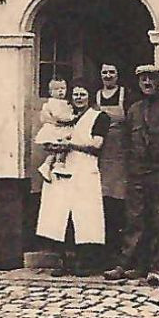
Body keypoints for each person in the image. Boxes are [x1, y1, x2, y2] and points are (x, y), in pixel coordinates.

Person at [104, 65, 159, 288]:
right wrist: (132, 164)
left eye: (151, 79)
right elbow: (126, 140)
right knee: (134, 219)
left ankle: (156, 268)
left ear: (158, 82)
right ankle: (125, 265)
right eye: (143, 79)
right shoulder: (133, 109)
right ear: (138, 82)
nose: (147, 83)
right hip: (137, 174)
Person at [34, 85, 110, 275]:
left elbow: (96, 145)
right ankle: (63, 261)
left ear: (89, 96)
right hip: (62, 169)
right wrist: (53, 146)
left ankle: (84, 263)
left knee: (86, 216)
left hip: (85, 169)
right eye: (75, 94)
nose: (78, 97)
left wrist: (71, 145)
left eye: (83, 94)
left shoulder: (99, 117)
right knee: (59, 215)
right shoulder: (65, 116)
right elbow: (50, 137)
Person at [91, 63, 132, 254]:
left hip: (121, 152)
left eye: (111, 72)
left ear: (117, 75)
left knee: (120, 199)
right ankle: (105, 250)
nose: (108, 76)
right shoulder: (96, 96)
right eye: (104, 72)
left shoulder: (126, 95)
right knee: (103, 198)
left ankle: (121, 250)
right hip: (102, 152)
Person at [33, 77, 77, 183]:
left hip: (59, 129)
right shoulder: (54, 103)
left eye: (63, 88)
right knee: (61, 147)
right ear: (51, 92)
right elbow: (58, 116)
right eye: (57, 89)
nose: (61, 91)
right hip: (56, 130)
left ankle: (47, 166)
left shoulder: (63, 102)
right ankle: (58, 165)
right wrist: (72, 118)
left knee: (55, 152)